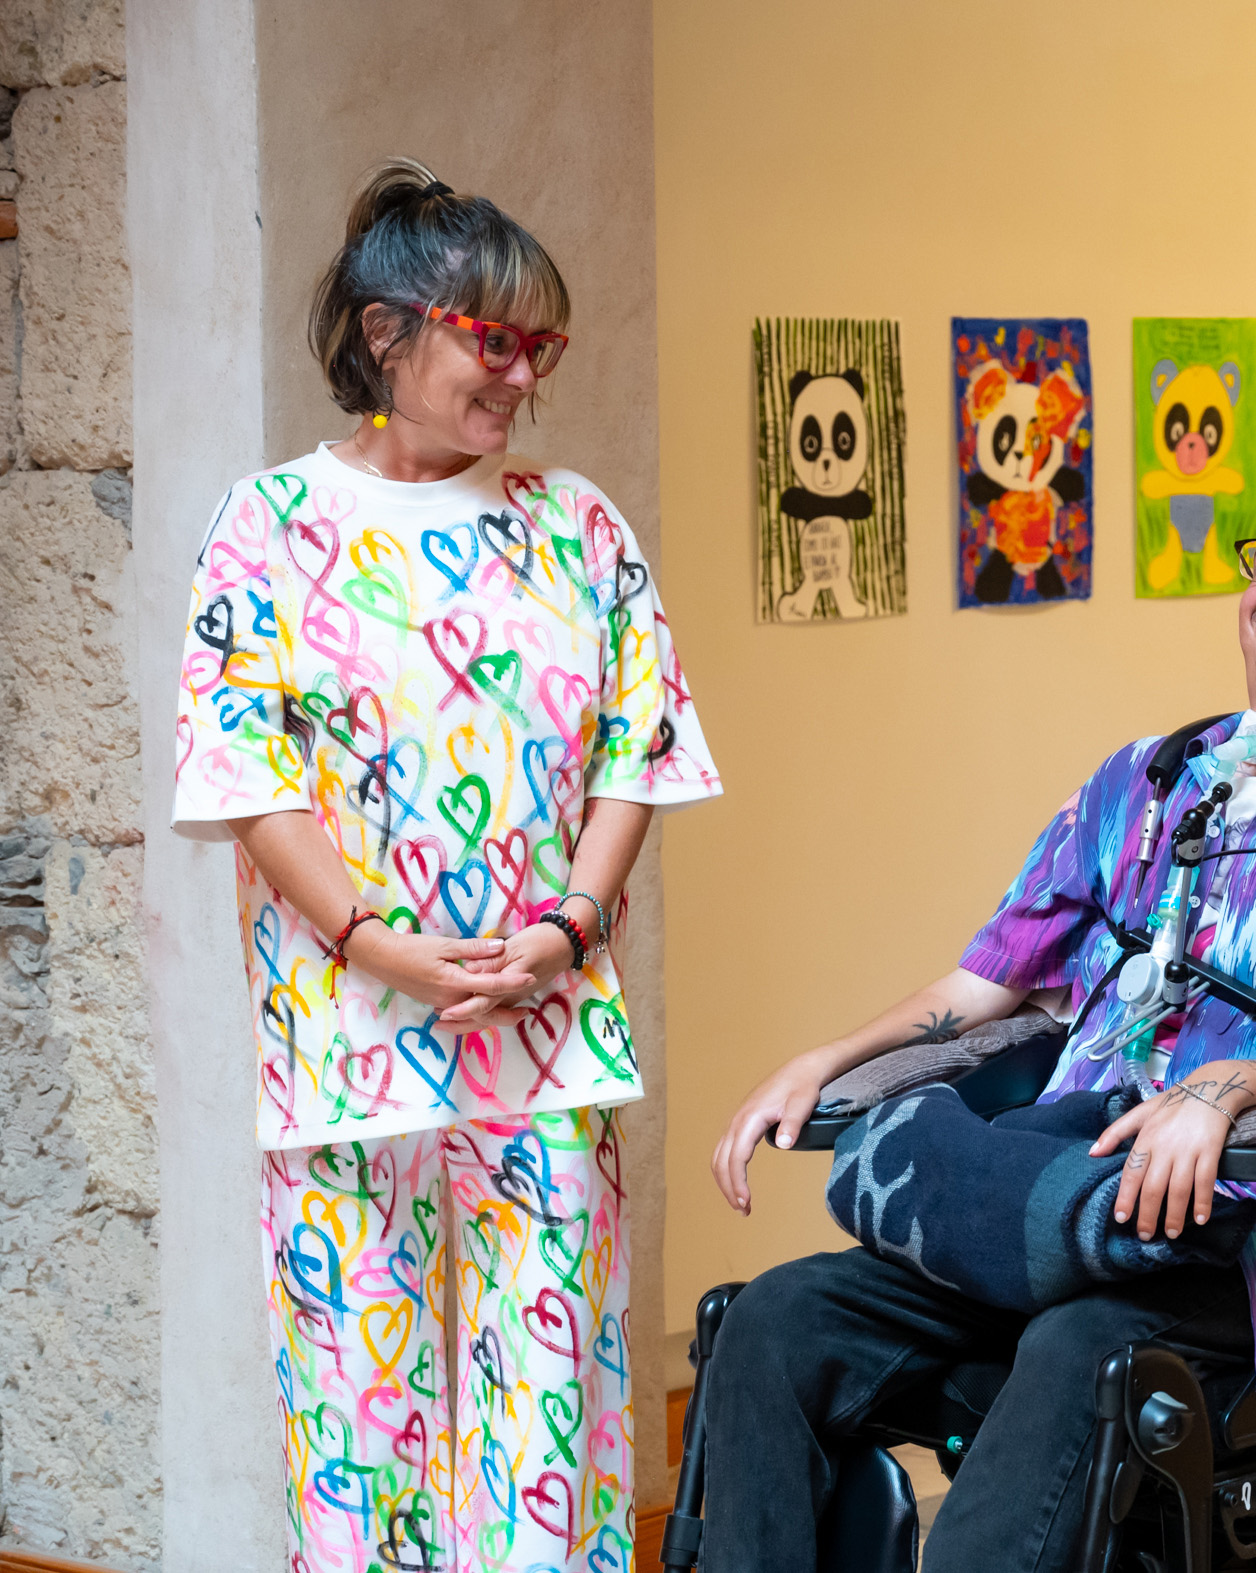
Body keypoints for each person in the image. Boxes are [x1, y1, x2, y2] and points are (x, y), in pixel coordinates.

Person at [702, 470, 1256, 1572]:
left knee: (1081, 1346)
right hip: (1062, 1193)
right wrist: (827, 1059)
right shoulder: (1143, 780)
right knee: (775, 1318)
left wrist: (1229, 1089)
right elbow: (986, 984)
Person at [169, 160, 721, 1573]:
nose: (521, 377)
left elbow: (635, 751)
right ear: (382, 332)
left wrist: (570, 926)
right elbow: (245, 776)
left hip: (547, 1035)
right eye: (494, 339)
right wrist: (373, 944)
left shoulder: (579, 525)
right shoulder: (268, 527)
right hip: (347, 1041)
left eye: (540, 344)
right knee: (360, 1422)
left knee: (554, 1427)